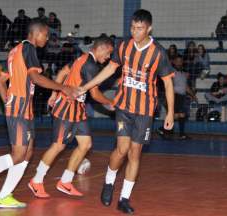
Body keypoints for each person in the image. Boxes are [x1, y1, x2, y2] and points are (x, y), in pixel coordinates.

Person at [0, 19, 79, 208]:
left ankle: (4, 195)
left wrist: (7, 99)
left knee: (28, 153)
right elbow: (35, 77)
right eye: (46, 35)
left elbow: (1, 81)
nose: (47, 39)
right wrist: (63, 88)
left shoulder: (15, 51)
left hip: (23, 108)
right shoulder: (29, 48)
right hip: (20, 108)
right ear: (36, 33)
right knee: (18, 154)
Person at [79, 9, 175, 214]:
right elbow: (109, 69)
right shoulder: (123, 46)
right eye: (132, 27)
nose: (135, 32)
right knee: (121, 150)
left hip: (145, 111)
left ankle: (124, 198)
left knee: (135, 154)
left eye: (139, 28)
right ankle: (109, 182)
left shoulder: (158, 53)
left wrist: (170, 113)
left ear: (149, 28)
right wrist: (87, 87)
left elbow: (167, 84)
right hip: (124, 107)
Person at [28, 36, 115, 198]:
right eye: (108, 53)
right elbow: (95, 94)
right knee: (58, 146)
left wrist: (54, 93)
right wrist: (110, 102)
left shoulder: (80, 58)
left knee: (85, 144)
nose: (108, 57)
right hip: (67, 107)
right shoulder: (90, 65)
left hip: (78, 108)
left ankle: (65, 181)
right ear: (101, 48)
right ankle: (36, 180)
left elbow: (63, 72)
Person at [157, 56, 196, 140]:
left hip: (181, 97)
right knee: (176, 115)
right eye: (177, 61)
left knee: (181, 115)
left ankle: (173, 132)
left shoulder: (183, 74)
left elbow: (186, 87)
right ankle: (164, 130)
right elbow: (165, 83)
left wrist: (193, 95)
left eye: (180, 61)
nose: (179, 63)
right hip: (174, 96)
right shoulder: (171, 72)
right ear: (174, 62)